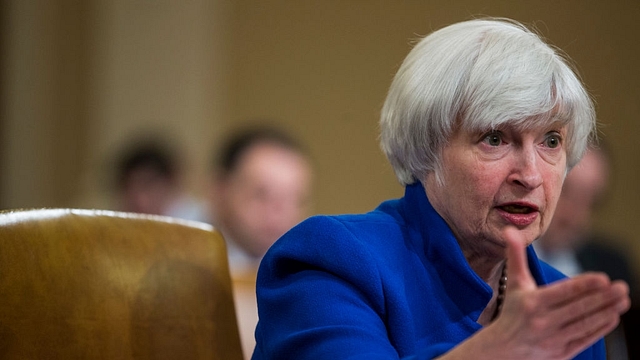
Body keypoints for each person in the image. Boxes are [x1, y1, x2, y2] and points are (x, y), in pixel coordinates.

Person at [251, 18, 630, 360]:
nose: (530, 176)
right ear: (426, 149)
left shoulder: (562, 304)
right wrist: (497, 350)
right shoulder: (333, 260)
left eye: (550, 141)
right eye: (495, 138)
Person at [208, 126, 314, 359]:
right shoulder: (182, 272)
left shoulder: (312, 282)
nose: (279, 212)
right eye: (261, 194)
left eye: (295, 199)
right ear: (220, 190)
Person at [534, 144, 638, 359]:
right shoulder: (493, 259)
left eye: (590, 202)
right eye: (566, 192)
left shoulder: (612, 266)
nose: (575, 216)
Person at [114, 140, 210, 223]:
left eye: (146, 186)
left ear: (171, 182)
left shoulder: (201, 221)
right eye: (128, 189)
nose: (138, 200)